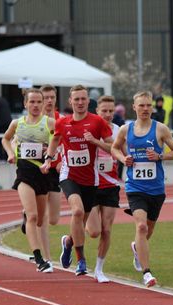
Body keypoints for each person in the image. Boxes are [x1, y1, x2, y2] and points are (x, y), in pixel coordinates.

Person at [111, 91, 173, 287]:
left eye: (148, 105)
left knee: (147, 230)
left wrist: (160, 156)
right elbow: (114, 148)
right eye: (141, 105)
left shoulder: (160, 129)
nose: (145, 109)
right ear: (134, 107)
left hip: (156, 188)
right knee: (140, 227)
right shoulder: (126, 130)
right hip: (135, 187)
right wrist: (123, 159)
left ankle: (137, 248)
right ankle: (147, 273)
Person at [41, 85, 112, 276]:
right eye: (76, 99)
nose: (80, 103)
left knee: (82, 222)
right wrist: (49, 159)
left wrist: (95, 142)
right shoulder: (63, 123)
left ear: (88, 101)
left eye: (83, 99)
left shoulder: (97, 122)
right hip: (68, 175)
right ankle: (81, 260)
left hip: (91, 178)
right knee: (77, 211)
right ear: (70, 101)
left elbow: (113, 146)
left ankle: (68, 242)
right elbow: (55, 140)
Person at [2, 88, 56, 273]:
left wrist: (49, 157)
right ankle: (40, 259)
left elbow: (59, 141)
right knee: (34, 217)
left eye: (38, 102)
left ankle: (26, 218)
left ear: (43, 104)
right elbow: (5, 139)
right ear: (25, 104)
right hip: (24, 173)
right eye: (31, 102)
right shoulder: (18, 123)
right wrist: (10, 153)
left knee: (40, 219)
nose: (35, 105)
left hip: (43, 173)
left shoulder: (49, 123)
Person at [86, 95, 123, 283]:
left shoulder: (118, 131)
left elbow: (117, 151)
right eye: (104, 111)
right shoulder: (88, 128)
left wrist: (98, 142)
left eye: (111, 111)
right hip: (90, 184)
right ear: (97, 112)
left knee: (107, 230)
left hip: (110, 184)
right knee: (93, 231)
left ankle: (99, 269)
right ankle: (69, 240)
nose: (108, 115)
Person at [36, 84, 63, 269]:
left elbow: (67, 143)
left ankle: (27, 214)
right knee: (41, 217)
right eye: (46, 97)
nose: (49, 100)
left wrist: (64, 161)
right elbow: (15, 141)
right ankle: (47, 258)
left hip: (55, 171)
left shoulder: (61, 120)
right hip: (37, 170)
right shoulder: (33, 121)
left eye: (52, 97)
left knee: (53, 219)